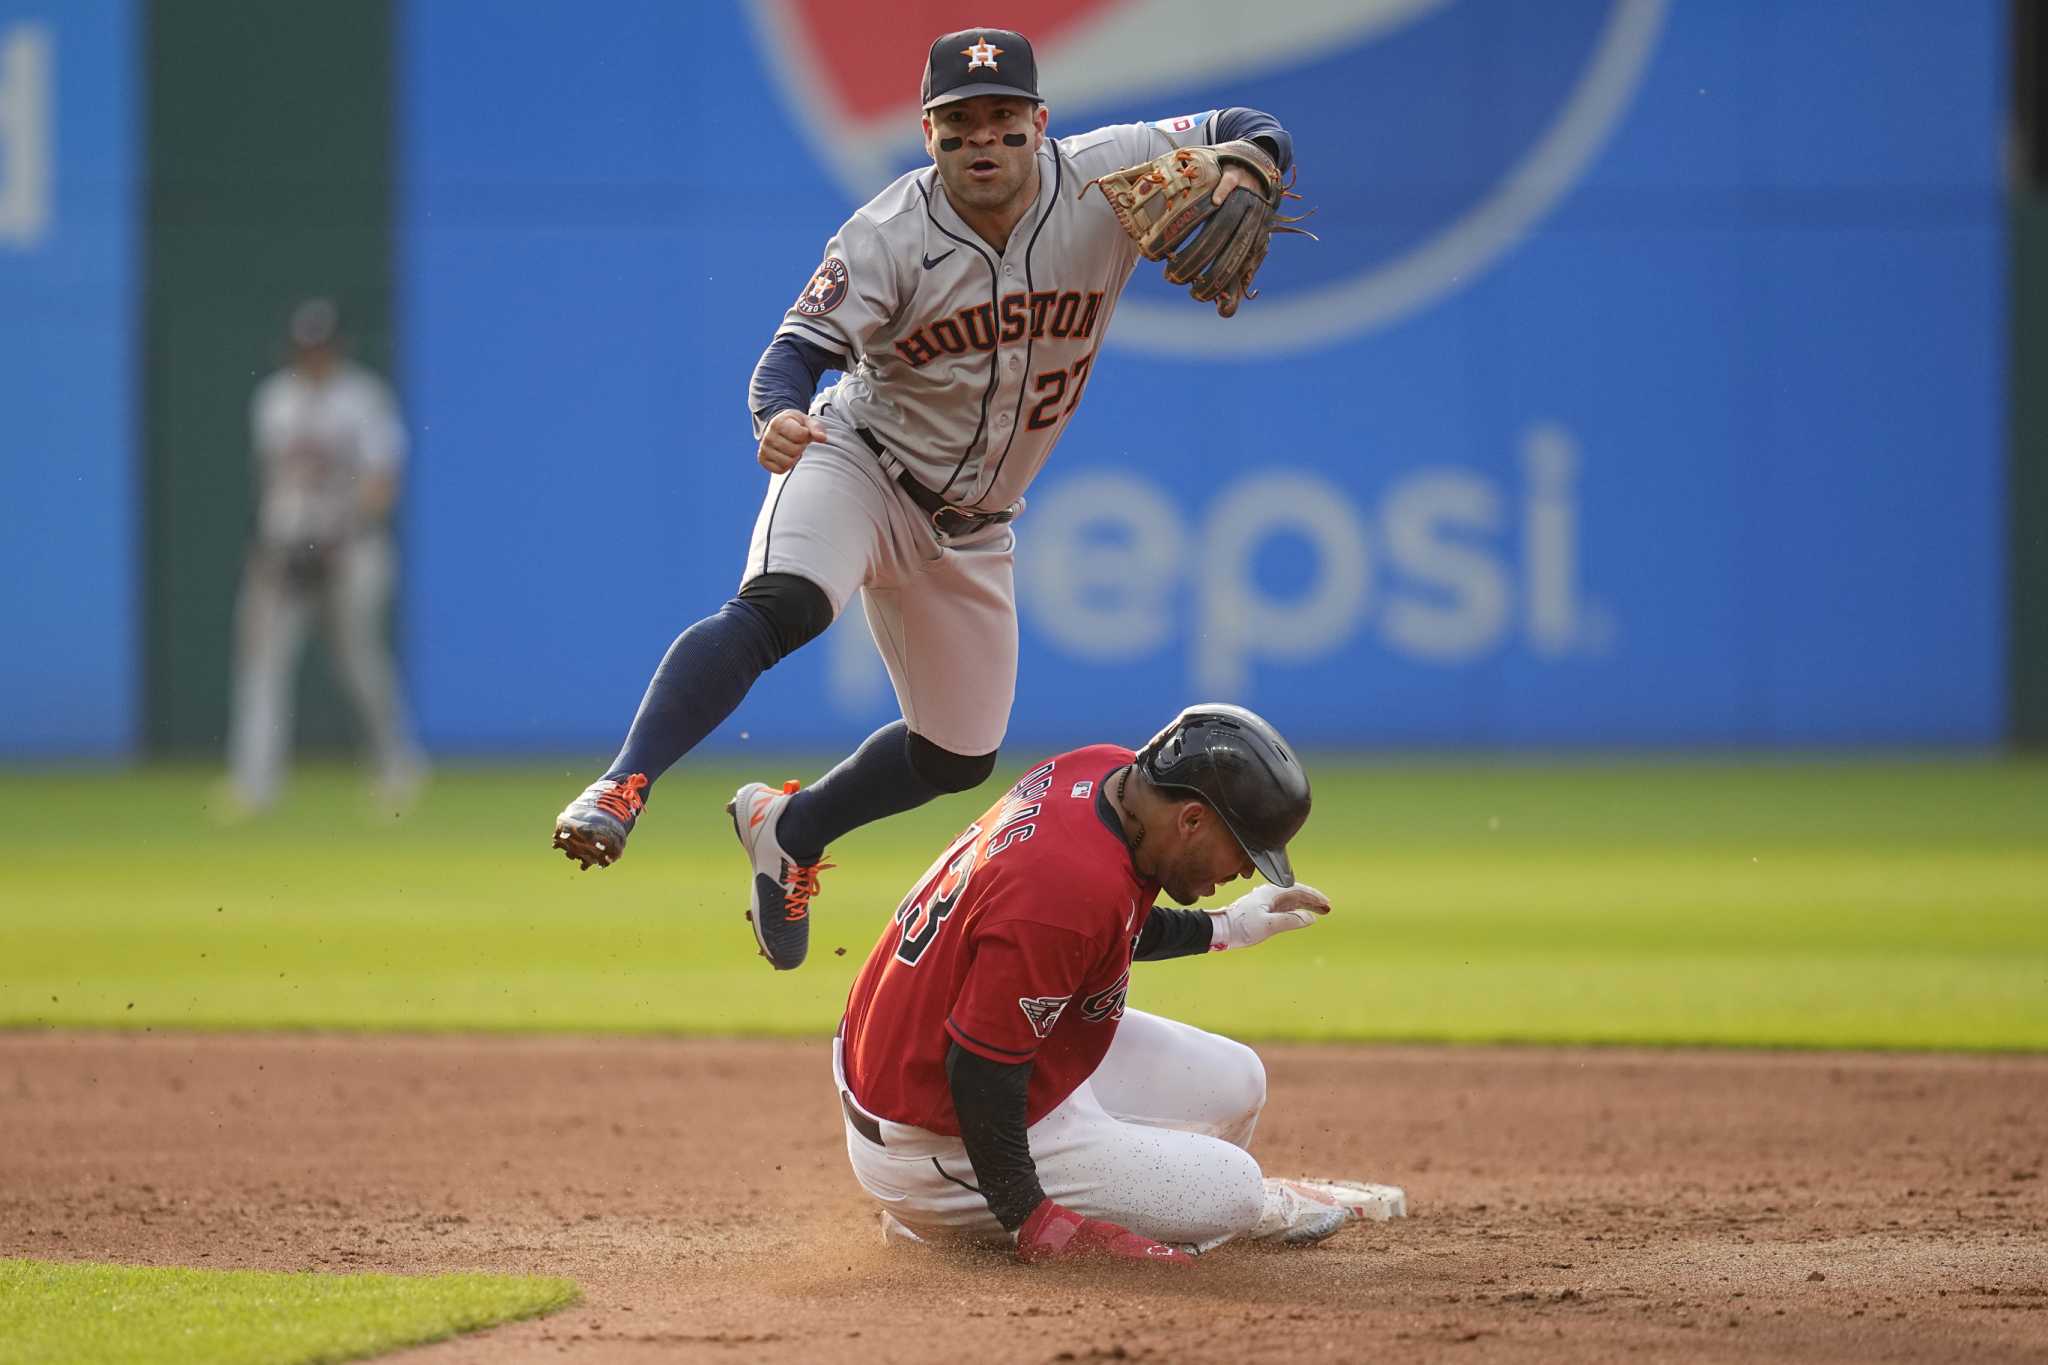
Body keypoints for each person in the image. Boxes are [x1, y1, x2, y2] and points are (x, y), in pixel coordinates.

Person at [551, 26, 1299, 973]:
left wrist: (1248, 171)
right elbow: (792, 356)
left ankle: (790, 832)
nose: (981, 140)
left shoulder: (1106, 174)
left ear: (1039, 122)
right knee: (784, 605)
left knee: (958, 754)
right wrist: (779, 414)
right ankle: (621, 786)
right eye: (957, 125)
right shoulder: (889, 232)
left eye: (1000, 120)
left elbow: (1248, 122)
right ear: (928, 132)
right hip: (862, 464)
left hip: (977, 528)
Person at [830, 703, 1406, 1262]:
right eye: (1245, 851)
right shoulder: (1063, 891)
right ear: (1192, 820)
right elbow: (979, 1070)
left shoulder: (1104, 775)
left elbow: (1102, 923)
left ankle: (1126, 1193)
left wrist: (1225, 926)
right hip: (932, 1133)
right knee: (1235, 1192)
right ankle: (939, 1226)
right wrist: (1032, 1218)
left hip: (949, 1044)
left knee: (1239, 1081)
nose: (1246, 871)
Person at [226, 297, 425, 814]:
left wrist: (342, 532)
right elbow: (273, 485)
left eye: (320, 346)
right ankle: (255, 785)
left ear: (336, 347)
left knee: (360, 663)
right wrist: (276, 544)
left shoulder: (362, 399)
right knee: (263, 664)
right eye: (304, 347)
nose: (312, 355)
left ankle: (398, 766)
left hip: (350, 550)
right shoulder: (275, 400)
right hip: (285, 551)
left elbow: (383, 480)